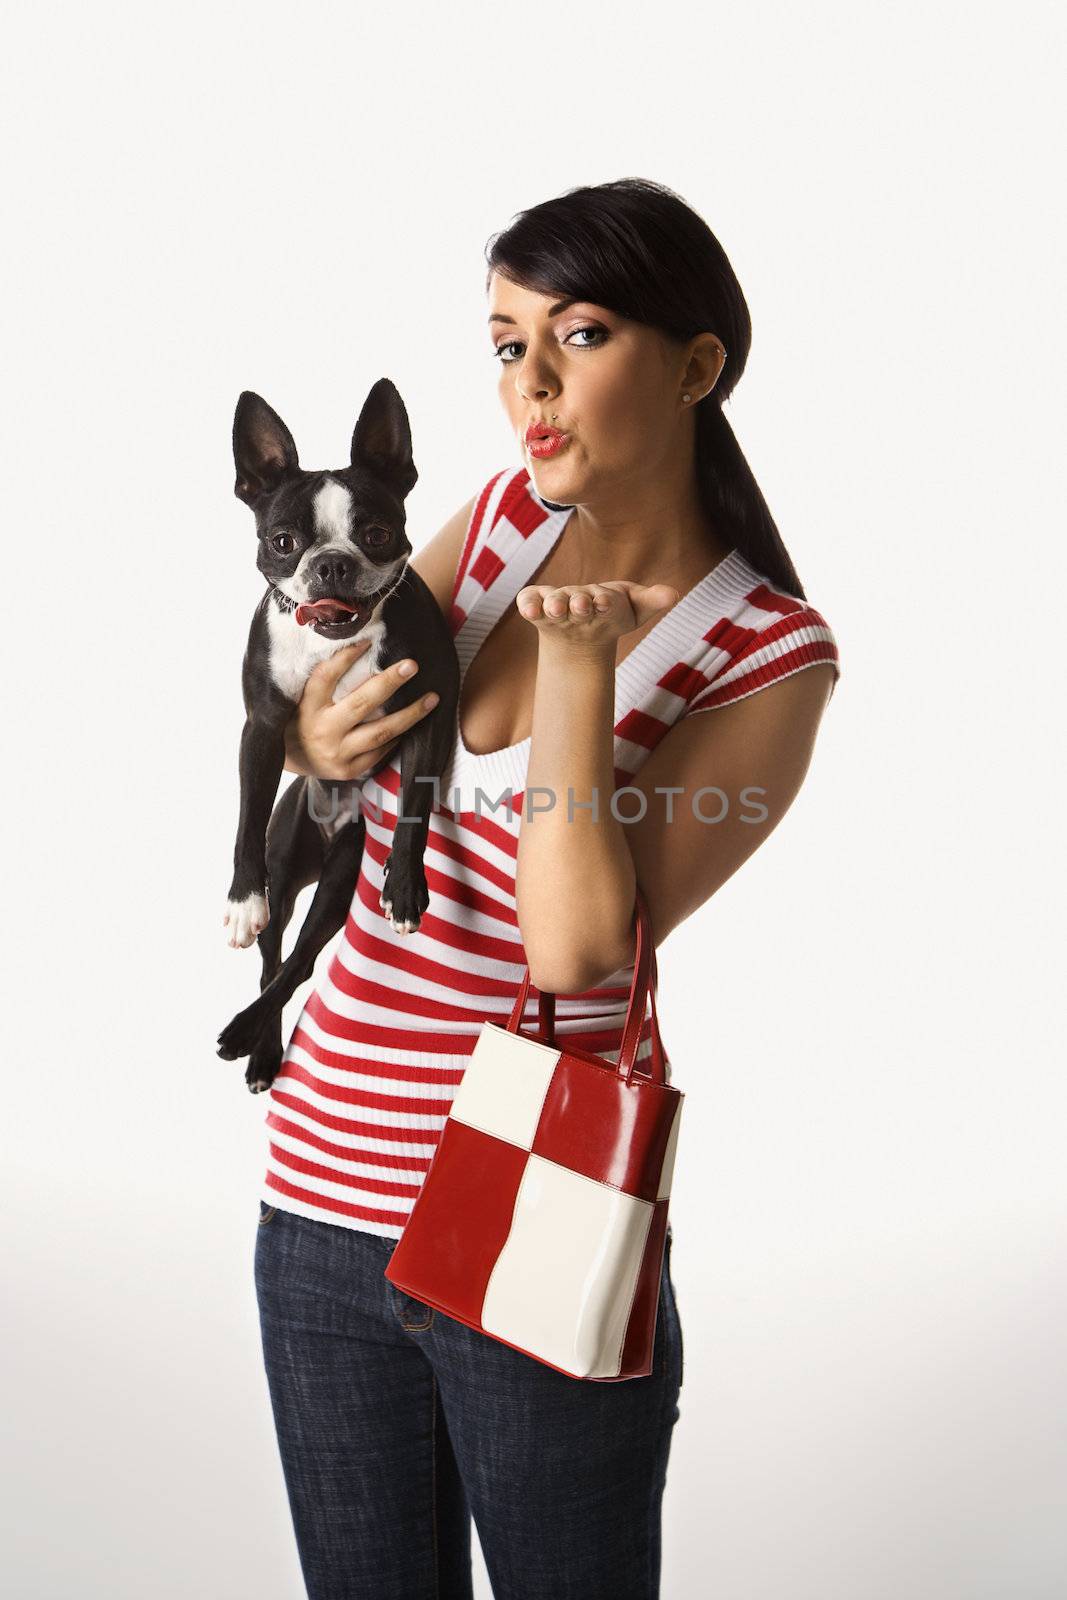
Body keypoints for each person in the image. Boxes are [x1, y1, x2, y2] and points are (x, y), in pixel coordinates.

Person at [252, 177, 841, 1600]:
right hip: (326, 1181)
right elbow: (328, 739)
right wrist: (315, 737)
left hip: (541, 1206)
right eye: (508, 343)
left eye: (576, 336)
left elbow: (577, 948)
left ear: (697, 365)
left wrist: (579, 667)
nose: (532, 384)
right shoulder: (506, 516)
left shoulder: (767, 651)